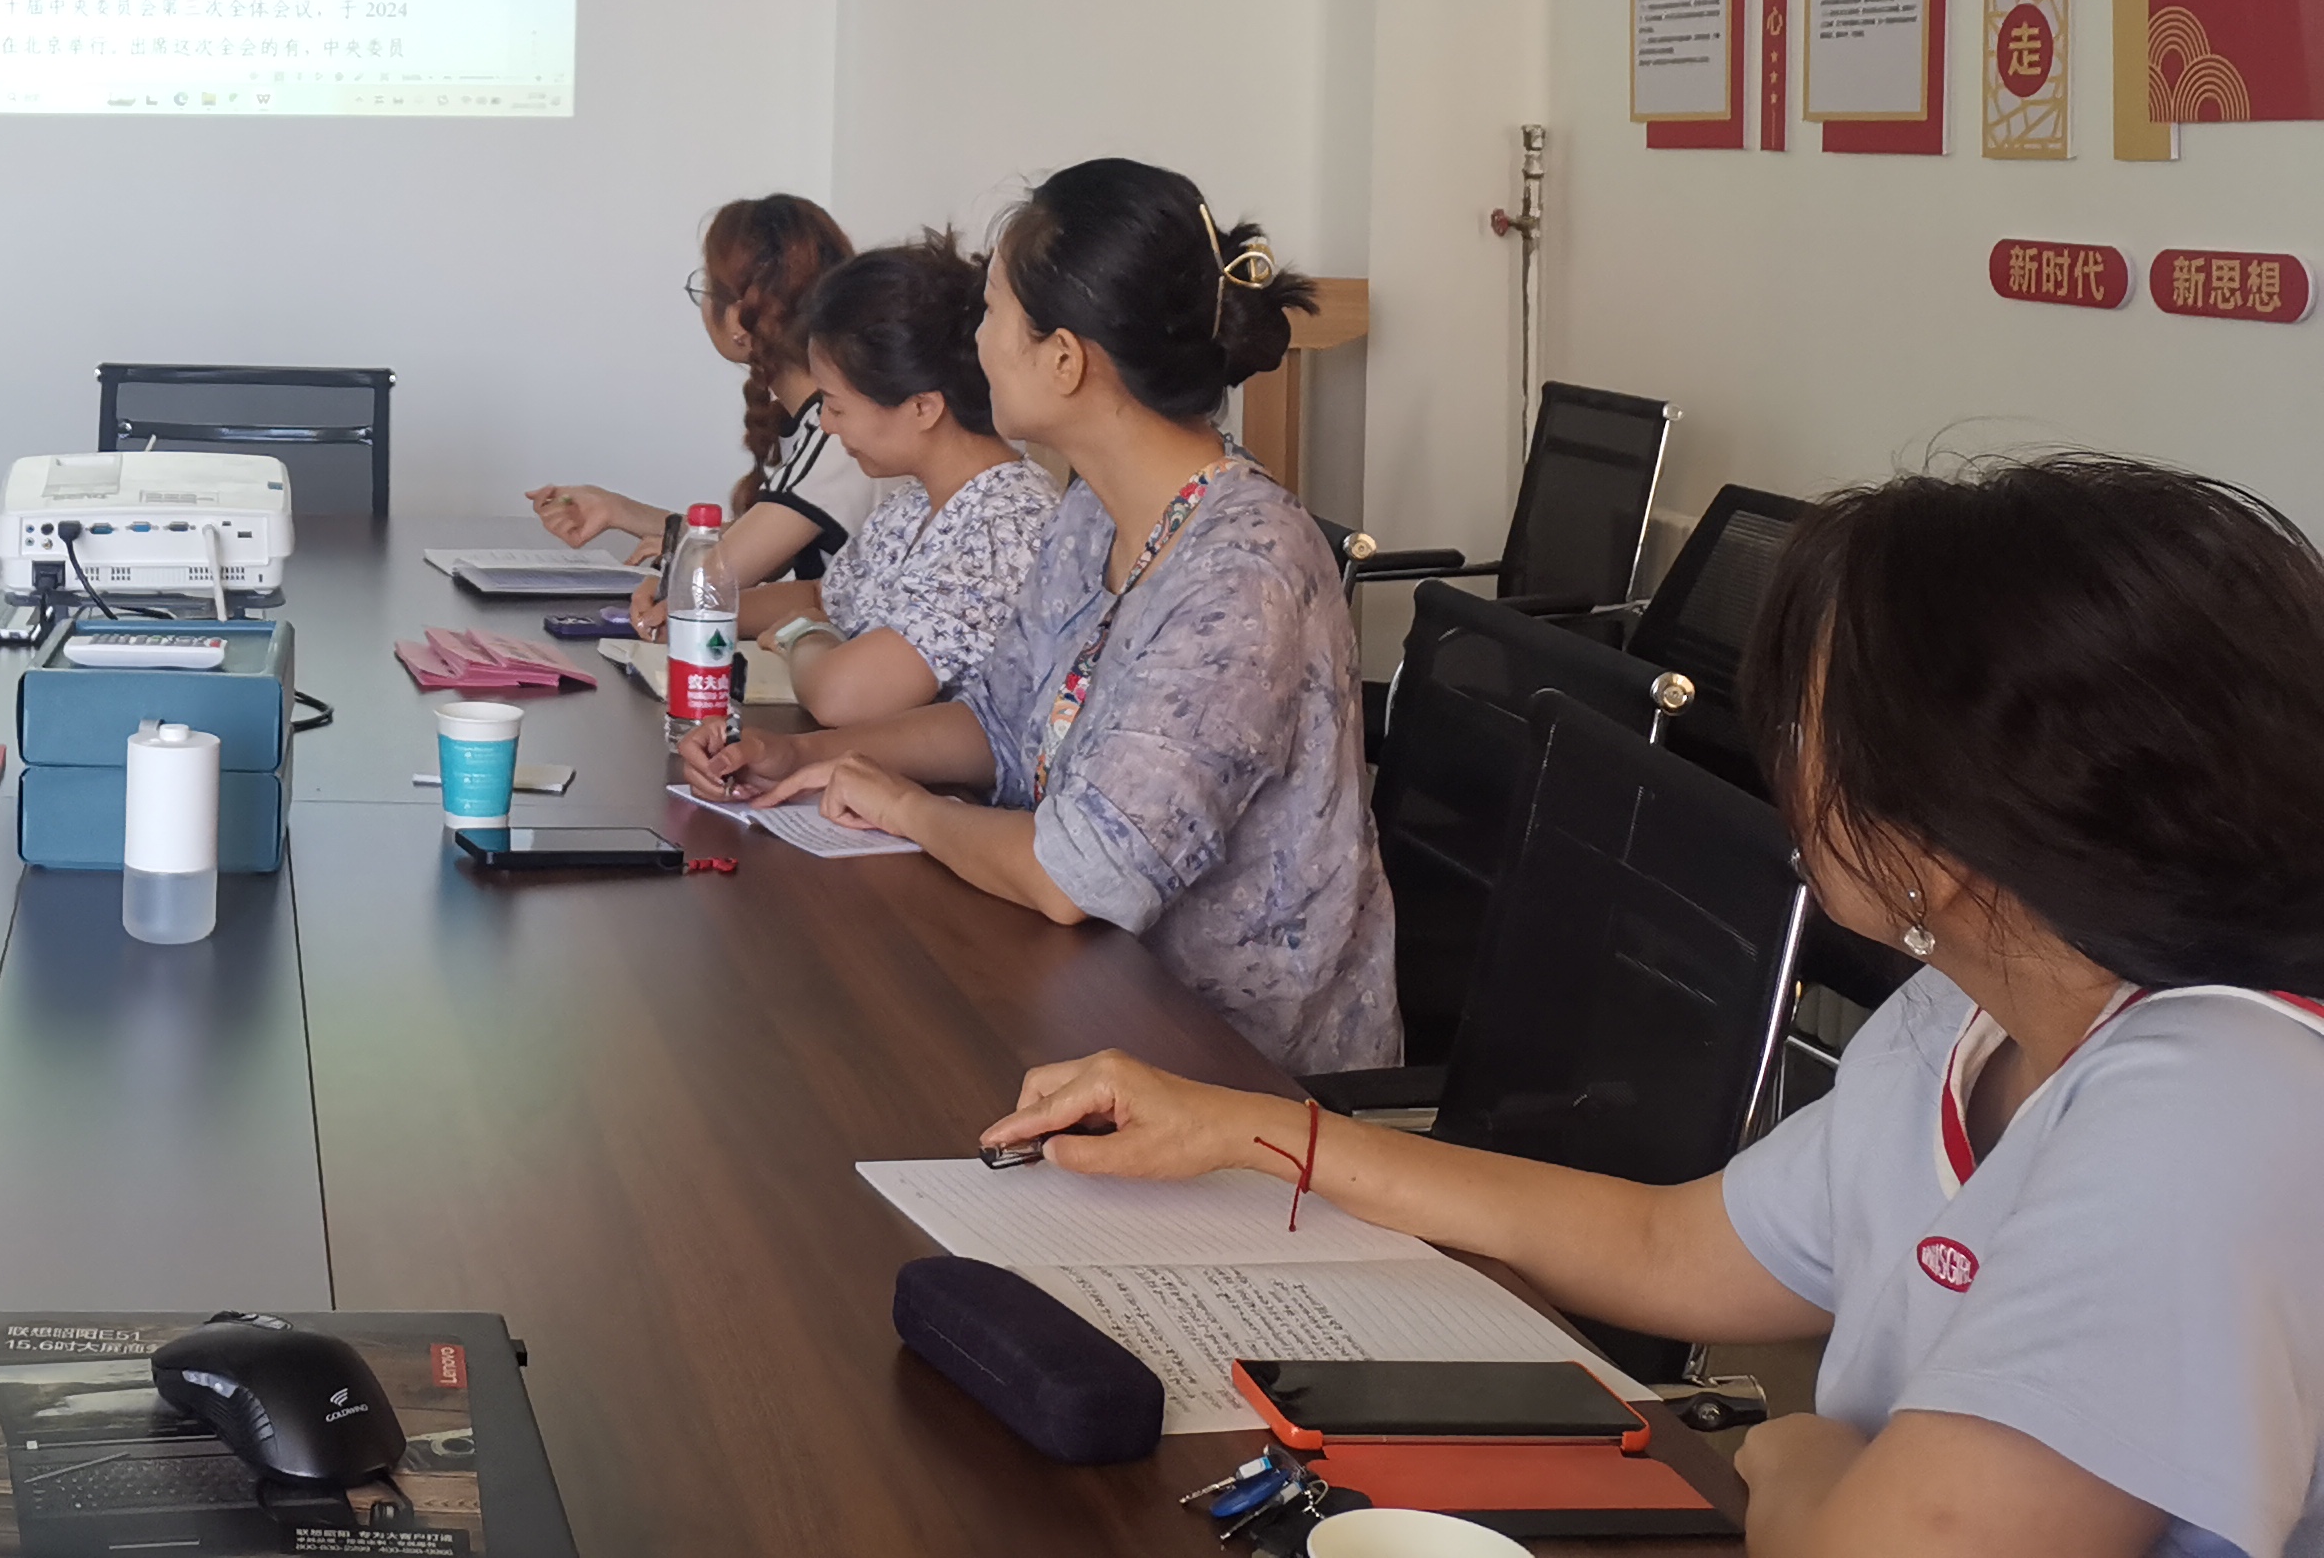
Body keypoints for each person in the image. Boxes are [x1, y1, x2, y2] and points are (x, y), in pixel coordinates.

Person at [981, 456, 2324, 1558]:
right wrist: (1252, 1132)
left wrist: (1798, 1459)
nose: (1784, 767)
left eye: (1809, 730)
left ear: (1958, 825)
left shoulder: (2211, 1103)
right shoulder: (1962, 1016)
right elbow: (1665, 1245)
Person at [681, 157, 1393, 1075]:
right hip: (1088, 999)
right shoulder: (1095, 509)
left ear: (1065, 359)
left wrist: (902, 805)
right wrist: (806, 757)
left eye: (990, 313)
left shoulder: (1242, 572)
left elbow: (1081, 874)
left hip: (1231, 1066)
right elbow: (1003, 722)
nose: (974, 342)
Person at [523, 194, 873, 639]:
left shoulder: (834, 434)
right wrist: (616, 509)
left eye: (706, 287)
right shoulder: (819, 419)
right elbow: (764, 538)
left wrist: (675, 578)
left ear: (740, 320)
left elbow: (718, 577)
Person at [756, 234, 1057, 728]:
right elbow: (826, 597)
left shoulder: (1005, 527)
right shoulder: (913, 504)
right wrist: (695, 606)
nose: (826, 425)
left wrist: (803, 638)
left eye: (836, 407)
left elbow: (840, 695)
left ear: (922, 407)